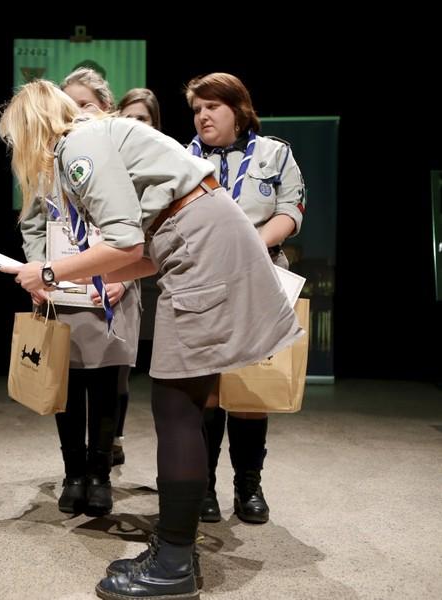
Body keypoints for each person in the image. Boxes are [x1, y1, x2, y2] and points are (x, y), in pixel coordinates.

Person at [0, 80, 302, 599]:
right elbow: (144, 254)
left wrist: (48, 273)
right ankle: (173, 544)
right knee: (181, 400)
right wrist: (61, 274)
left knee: (175, 404)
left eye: (13, 141)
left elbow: (124, 240)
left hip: (199, 244)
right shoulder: (100, 136)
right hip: (193, 240)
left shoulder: (77, 145)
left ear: (31, 129)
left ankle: (175, 562)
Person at [184, 72, 306, 525]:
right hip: (206, 280)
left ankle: (248, 486)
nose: (203, 116)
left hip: (263, 276)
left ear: (238, 109)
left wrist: (253, 241)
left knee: (252, 390)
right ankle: (205, 488)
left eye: (212, 107)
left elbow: (292, 209)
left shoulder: (275, 152)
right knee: (211, 391)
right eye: (197, 109)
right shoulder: (183, 159)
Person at [20, 67, 142, 516]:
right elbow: (33, 224)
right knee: (65, 387)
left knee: (108, 384)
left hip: (111, 286)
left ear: (106, 109)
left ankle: (100, 475)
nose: (75, 115)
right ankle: (73, 473)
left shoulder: (123, 159)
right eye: (67, 107)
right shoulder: (47, 162)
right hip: (60, 289)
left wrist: (123, 279)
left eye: (85, 105)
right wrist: (41, 271)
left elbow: (140, 231)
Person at [114, 87, 165, 466]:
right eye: (128, 118)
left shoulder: (163, 165)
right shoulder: (101, 163)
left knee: (119, 368)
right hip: (92, 270)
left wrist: (122, 277)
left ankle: (111, 438)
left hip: (135, 270)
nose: (134, 126)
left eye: (142, 119)